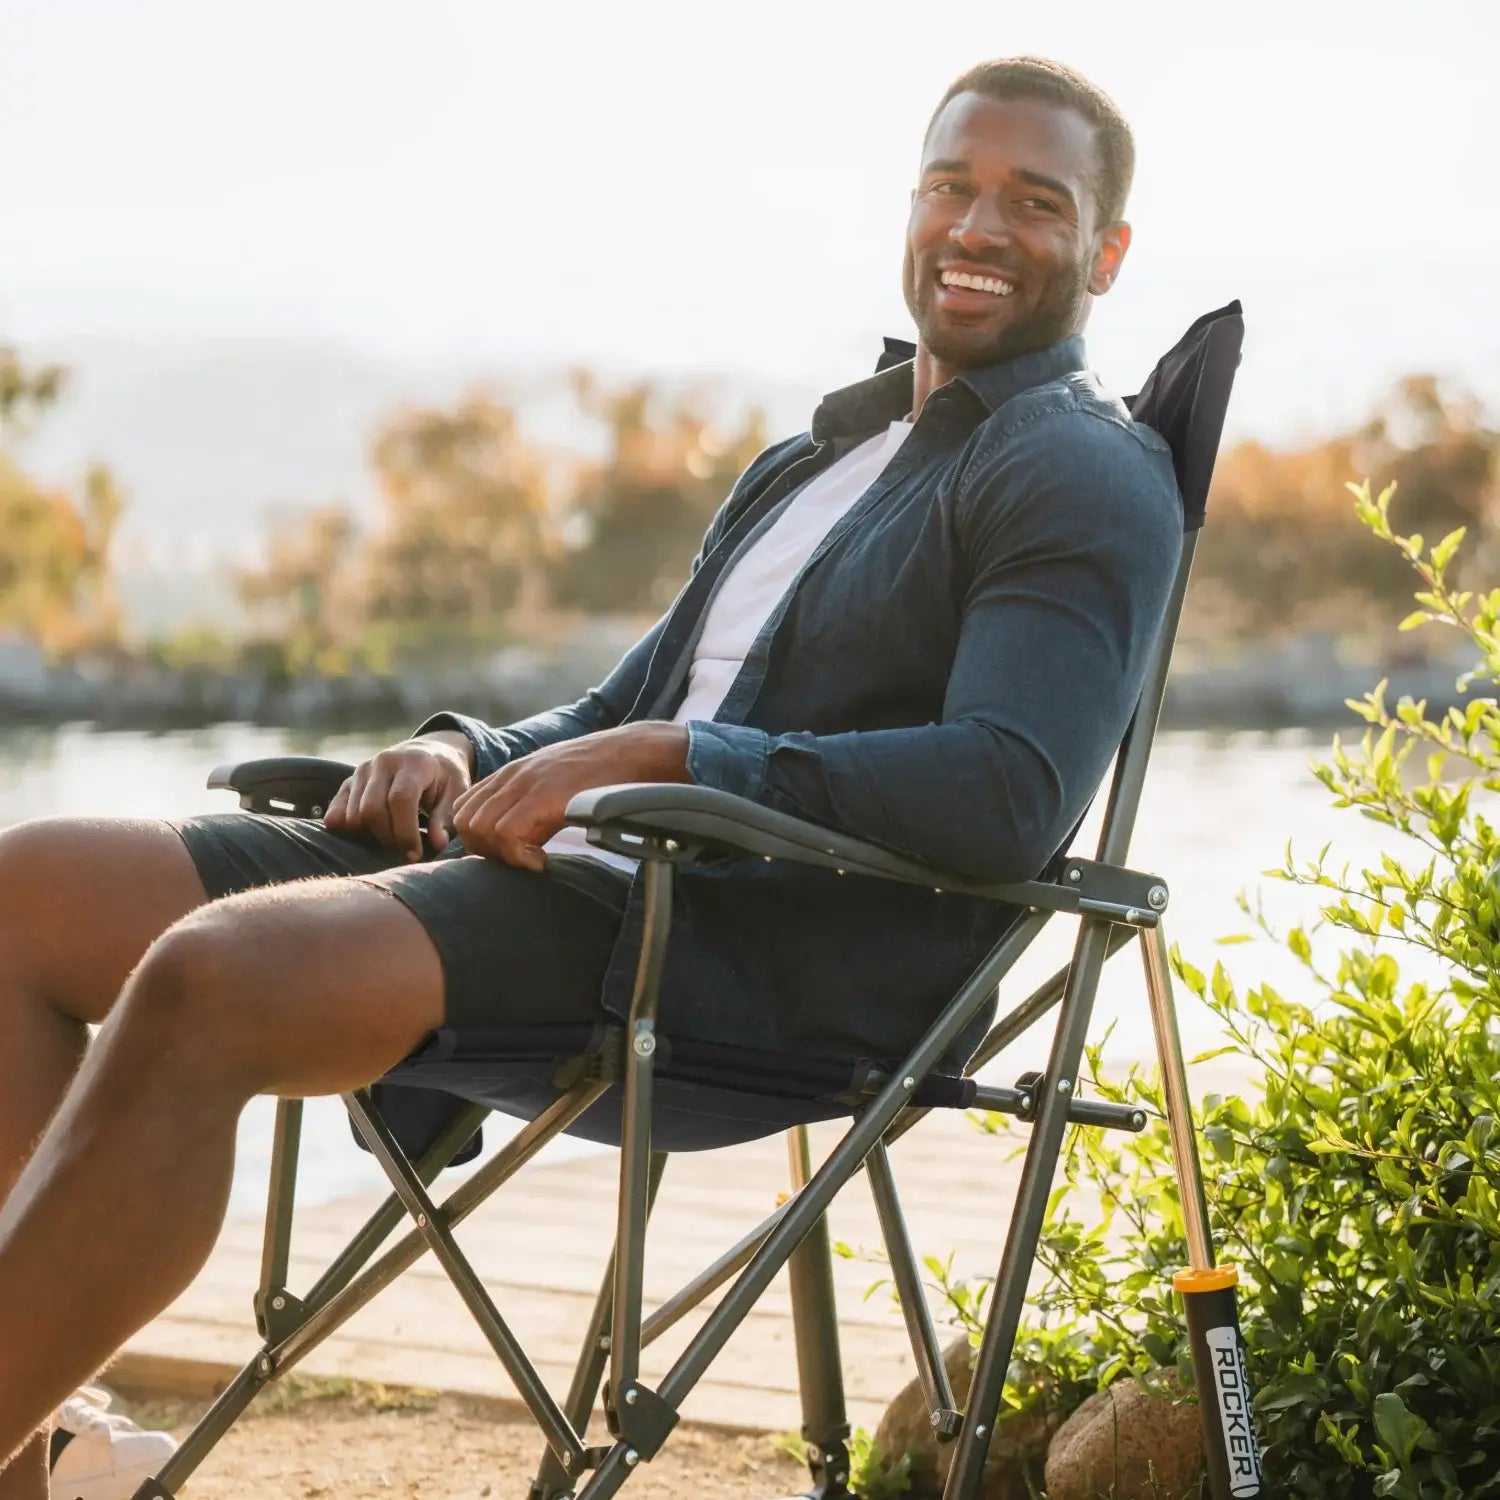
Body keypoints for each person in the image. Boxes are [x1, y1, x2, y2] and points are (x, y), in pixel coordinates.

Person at [0, 55, 1181, 1497]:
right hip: (578, 871)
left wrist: (674, 758)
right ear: (914, 207)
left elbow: (1005, 789)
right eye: (952, 185)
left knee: (210, 979)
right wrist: (461, 749)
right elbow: (624, 706)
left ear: (1106, 251)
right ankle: (38, 1444)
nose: (979, 226)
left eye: (1034, 201)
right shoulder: (817, 457)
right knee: (26, 898)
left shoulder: (1080, 469)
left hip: (744, 944)